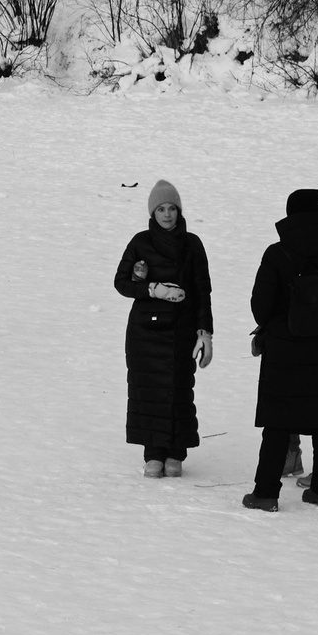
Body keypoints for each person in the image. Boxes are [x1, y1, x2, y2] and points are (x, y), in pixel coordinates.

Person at [243, 188, 318, 510]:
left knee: (278, 422)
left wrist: (282, 323)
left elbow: (260, 307)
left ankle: (266, 494)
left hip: (284, 350)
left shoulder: (276, 253)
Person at [113, 179, 214, 477]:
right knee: (148, 391)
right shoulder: (140, 242)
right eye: (161, 209)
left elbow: (202, 291)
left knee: (179, 389)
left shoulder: (192, 244)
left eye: (172, 208)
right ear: (152, 212)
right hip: (145, 332)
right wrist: (151, 289)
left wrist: (204, 332)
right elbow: (121, 283)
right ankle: (153, 453)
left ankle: (176, 452)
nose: (167, 214)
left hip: (181, 330)